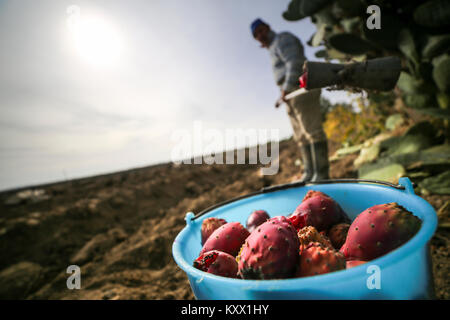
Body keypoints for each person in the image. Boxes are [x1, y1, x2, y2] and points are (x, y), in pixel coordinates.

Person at [250, 18, 329, 182]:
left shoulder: (282, 39)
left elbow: (295, 62)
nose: (260, 35)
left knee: (312, 131)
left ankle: (321, 175)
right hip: (288, 93)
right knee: (301, 135)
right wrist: (284, 92)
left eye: (261, 30)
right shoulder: (272, 49)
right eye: (256, 34)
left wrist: (286, 88)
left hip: (300, 87)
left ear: (268, 27)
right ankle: (309, 173)